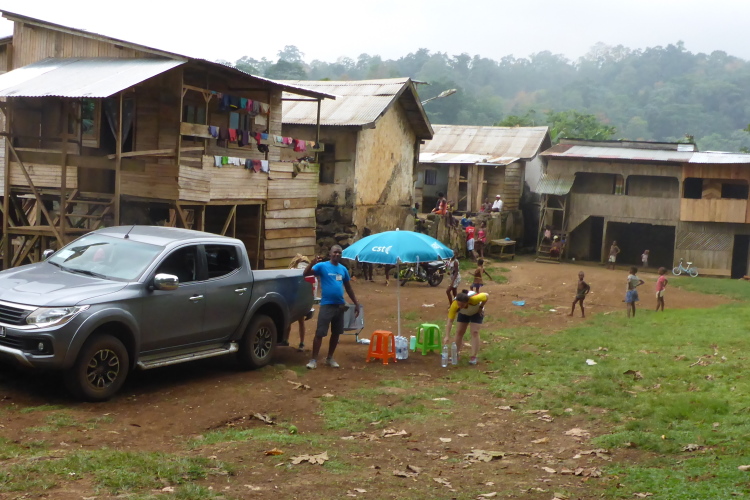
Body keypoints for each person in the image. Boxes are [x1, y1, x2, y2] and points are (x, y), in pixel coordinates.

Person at [303, 245, 360, 369]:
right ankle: (313, 360)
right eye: (335, 252)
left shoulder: (343, 269)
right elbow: (306, 274)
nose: (337, 254)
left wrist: (356, 304)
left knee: (336, 333)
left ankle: (330, 358)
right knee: (320, 333)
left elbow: (348, 288)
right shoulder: (322, 266)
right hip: (326, 305)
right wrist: (312, 263)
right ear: (330, 253)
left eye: (339, 253)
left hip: (340, 306)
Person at [444, 289, 489, 366]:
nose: (460, 306)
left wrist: (481, 307)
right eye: (459, 304)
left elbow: (486, 296)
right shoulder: (455, 305)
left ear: (467, 302)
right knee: (459, 331)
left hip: (476, 313)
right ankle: (455, 354)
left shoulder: (474, 299)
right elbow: (450, 321)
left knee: (475, 332)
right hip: (463, 314)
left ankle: (473, 356)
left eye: (462, 305)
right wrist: (447, 336)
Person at [288, 254, 311, 351]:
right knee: (289, 321)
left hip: (300, 300)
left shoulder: (307, 274)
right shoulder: (292, 272)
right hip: (293, 298)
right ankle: (286, 340)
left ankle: (301, 342)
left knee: (300, 321)